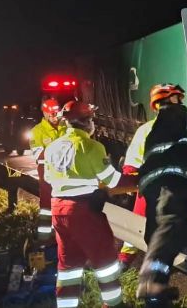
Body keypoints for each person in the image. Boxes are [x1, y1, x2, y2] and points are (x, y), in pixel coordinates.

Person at [135, 87, 187, 306]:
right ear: (170, 98)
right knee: (171, 223)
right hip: (170, 182)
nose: (181, 100)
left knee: (157, 232)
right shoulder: (175, 115)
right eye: (178, 97)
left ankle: (156, 296)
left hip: (153, 184)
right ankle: (151, 282)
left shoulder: (159, 125)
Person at [44, 101, 133, 308]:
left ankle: (66, 305)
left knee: (68, 266)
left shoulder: (52, 147)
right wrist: (140, 180)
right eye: (91, 119)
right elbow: (112, 180)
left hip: (59, 209)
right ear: (85, 122)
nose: (93, 123)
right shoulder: (91, 146)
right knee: (105, 262)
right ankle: (115, 305)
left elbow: (49, 178)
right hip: (83, 210)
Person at [117, 84, 186, 265]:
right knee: (139, 224)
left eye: (178, 100)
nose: (178, 104)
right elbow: (132, 161)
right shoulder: (147, 130)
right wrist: (131, 177)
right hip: (153, 189)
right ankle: (124, 261)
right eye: (173, 100)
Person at [29, 98, 66, 243]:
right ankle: (44, 239)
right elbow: (38, 154)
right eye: (51, 114)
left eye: (56, 113)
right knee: (46, 207)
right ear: (44, 113)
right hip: (47, 174)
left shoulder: (65, 128)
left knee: (65, 205)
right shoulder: (36, 132)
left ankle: (61, 236)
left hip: (65, 173)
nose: (54, 117)